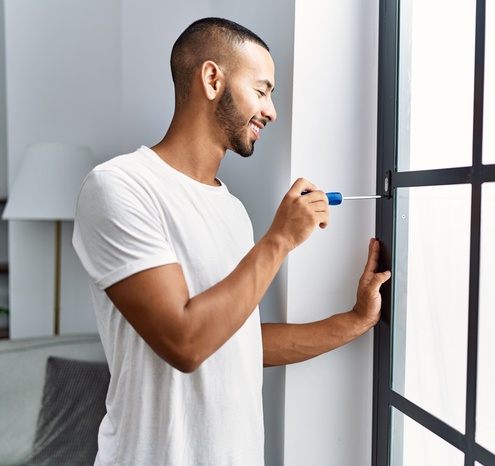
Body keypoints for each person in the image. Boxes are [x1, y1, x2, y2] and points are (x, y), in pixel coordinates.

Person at [72, 17, 391, 465]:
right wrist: (279, 240)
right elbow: (186, 343)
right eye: (261, 91)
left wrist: (357, 320)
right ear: (211, 78)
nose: (272, 111)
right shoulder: (118, 187)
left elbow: (237, 343)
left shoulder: (232, 210)